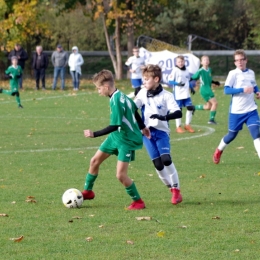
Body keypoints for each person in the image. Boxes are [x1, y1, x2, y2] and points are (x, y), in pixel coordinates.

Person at [81, 69, 151, 210]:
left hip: (127, 140)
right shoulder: (120, 95)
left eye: (99, 88)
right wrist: (143, 126)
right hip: (116, 137)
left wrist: (94, 134)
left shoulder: (117, 101)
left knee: (120, 175)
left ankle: (138, 201)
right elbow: (134, 110)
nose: (98, 91)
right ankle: (88, 192)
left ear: (106, 87)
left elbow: (115, 125)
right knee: (94, 161)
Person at [134, 64, 183, 205]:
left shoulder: (166, 95)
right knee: (157, 164)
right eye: (143, 79)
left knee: (166, 159)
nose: (144, 82)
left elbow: (178, 112)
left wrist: (163, 118)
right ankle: (170, 188)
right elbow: (133, 108)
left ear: (156, 79)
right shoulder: (142, 93)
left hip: (161, 132)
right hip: (147, 134)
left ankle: (176, 190)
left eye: (146, 79)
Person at [213, 49, 260, 164]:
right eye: (237, 60)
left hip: (251, 110)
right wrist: (242, 89)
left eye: (241, 60)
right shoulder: (233, 74)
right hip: (237, 111)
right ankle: (219, 150)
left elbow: (254, 86)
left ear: (246, 60)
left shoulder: (251, 73)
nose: (239, 62)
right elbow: (226, 90)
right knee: (231, 135)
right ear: (234, 62)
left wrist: (258, 92)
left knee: (256, 134)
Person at [168, 55, 196, 133]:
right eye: (179, 62)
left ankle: (187, 125)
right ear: (176, 62)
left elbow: (187, 80)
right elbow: (170, 81)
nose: (180, 63)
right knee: (179, 110)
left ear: (184, 62)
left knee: (190, 108)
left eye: (182, 61)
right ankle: (178, 127)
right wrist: (177, 84)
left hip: (186, 93)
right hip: (178, 94)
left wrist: (191, 87)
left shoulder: (186, 70)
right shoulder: (175, 70)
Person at [191, 55, 220, 124]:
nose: (206, 61)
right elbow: (193, 78)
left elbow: (209, 79)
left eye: (207, 60)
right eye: (204, 60)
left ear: (209, 61)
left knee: (209, 106)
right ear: (201, 62)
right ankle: (211, 120)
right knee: (215, 103)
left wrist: (214, 82)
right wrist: (190, 85)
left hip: (208, 88)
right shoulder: (200, 71)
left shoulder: (209, 69)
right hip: (204, 89)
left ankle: (193, 107)